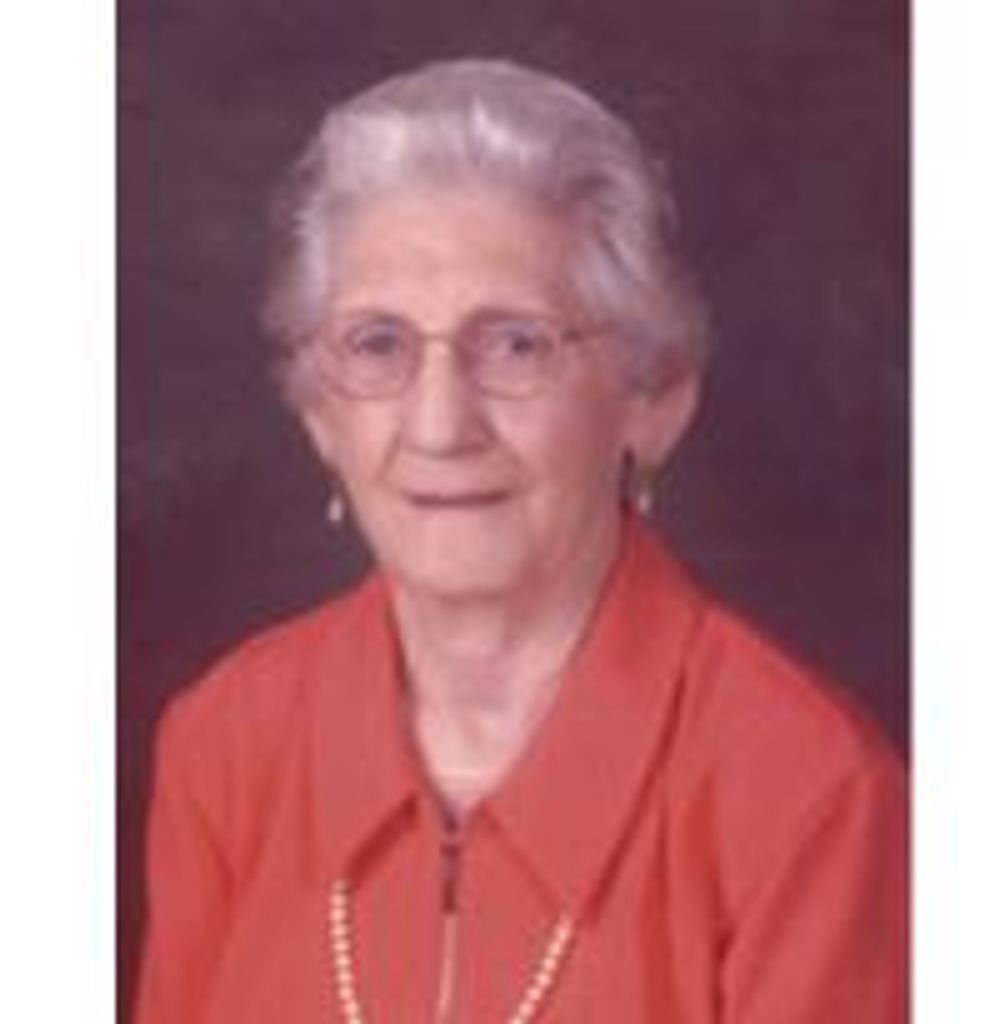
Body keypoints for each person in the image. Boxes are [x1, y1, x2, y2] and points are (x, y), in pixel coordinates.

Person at [135, 59, 907, 1023]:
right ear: (319, 414)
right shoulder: (227, 740)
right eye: (377, 344)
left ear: (652, 398)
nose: (440, 425)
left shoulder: (806, 792)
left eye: (515, 344)